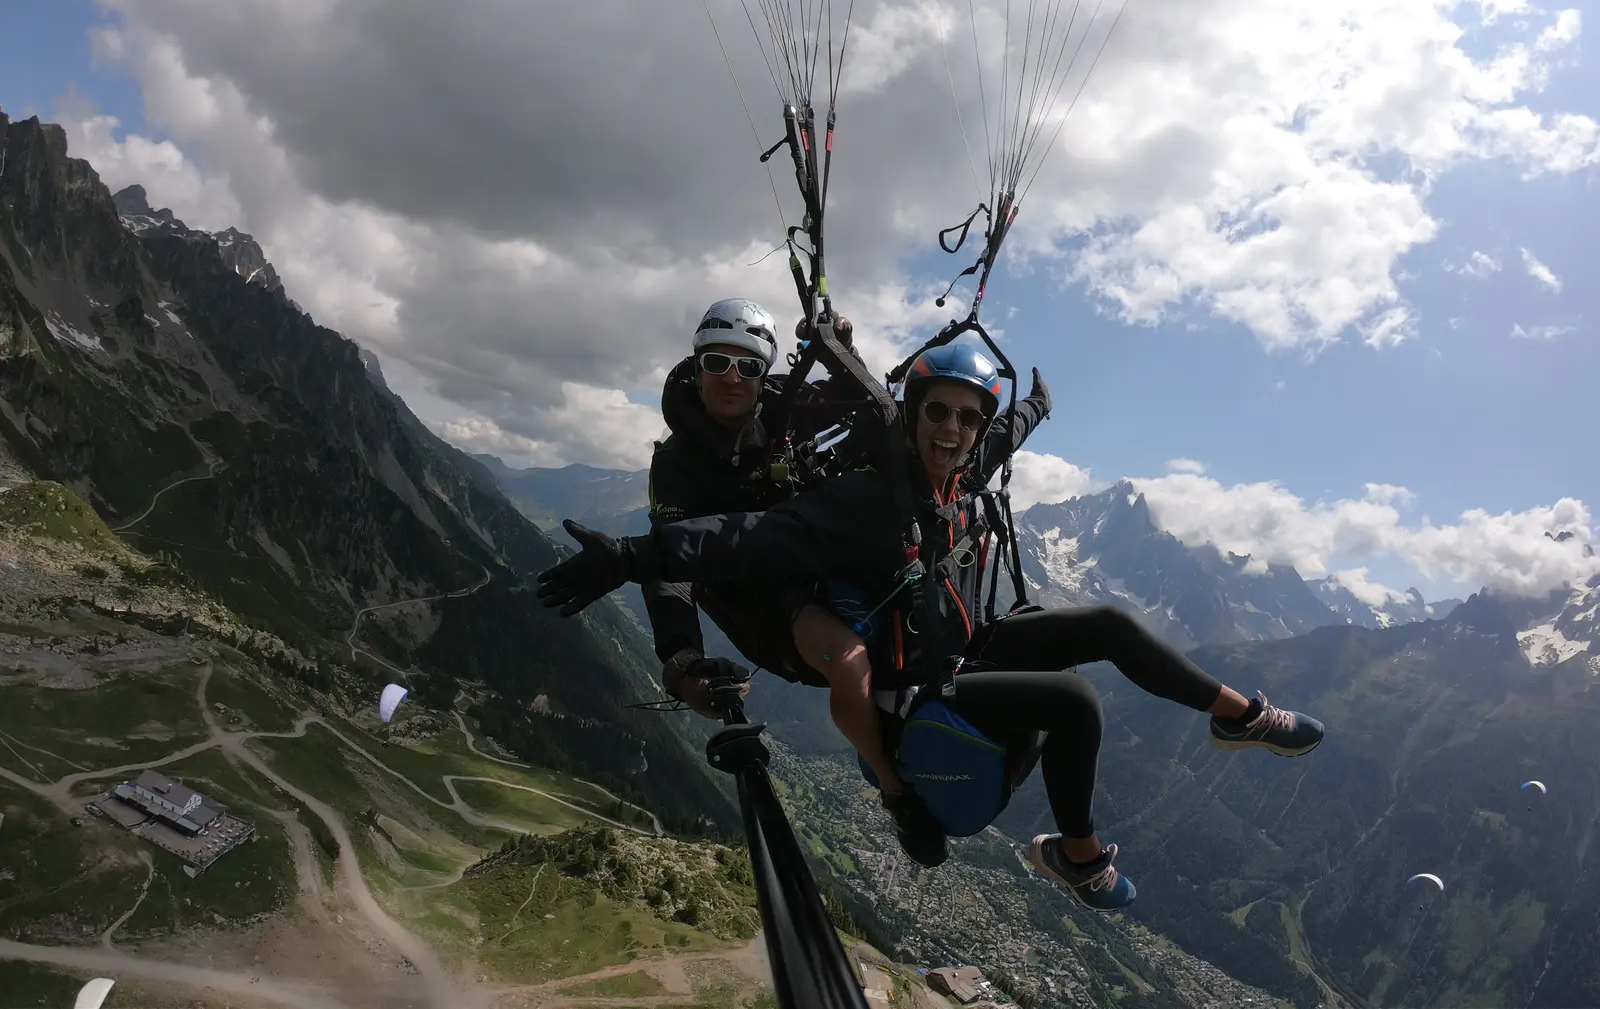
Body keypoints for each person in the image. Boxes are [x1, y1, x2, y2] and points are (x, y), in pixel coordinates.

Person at [537, 342, 1325, 911]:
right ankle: (1076, 860)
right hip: (915, 680)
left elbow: (997, 436)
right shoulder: (867, 499)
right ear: (912, 417)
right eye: (938, 414)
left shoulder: (960, 471)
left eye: (967, 420)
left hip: (960, 645)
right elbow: (747, 538)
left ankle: (1237, 716)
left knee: (1111, 627)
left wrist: (1034, 410)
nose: (953, 430)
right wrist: (634, 555)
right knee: (1075, 703)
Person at [639, 299, 946, 865]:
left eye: (749, 367)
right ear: (696, 366)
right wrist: (681, 661)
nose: (733, 378)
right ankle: (896, 794)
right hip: (752, 596)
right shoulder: (678, 464)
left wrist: (841, 350)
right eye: (717, 363)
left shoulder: (783, 404)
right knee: (849, 659)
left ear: (765, 375)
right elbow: (669, 568)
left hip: (805, 552)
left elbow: (867, 407)